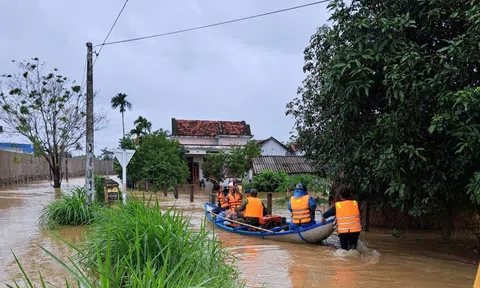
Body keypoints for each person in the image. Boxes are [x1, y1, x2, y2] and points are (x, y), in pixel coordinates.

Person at [322, 185, 362, 251]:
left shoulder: (338, 205)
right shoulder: (355, 203)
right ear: (350, 196)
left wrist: (323, 217)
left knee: (344, 251)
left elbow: (327, 214)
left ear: (340, 196)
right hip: (355, 231)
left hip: (344, 232)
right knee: (353, 249)